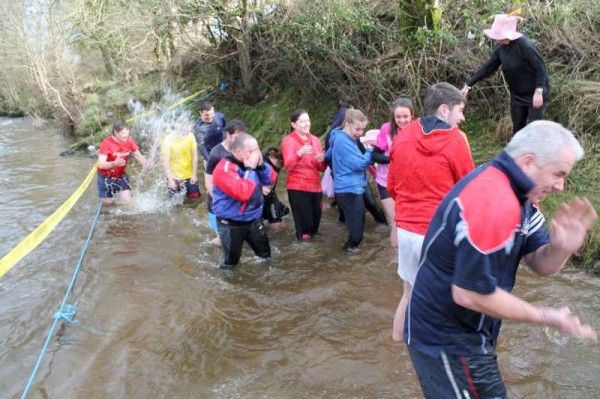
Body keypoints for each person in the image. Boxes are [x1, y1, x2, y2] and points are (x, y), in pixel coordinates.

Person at [405, 120, 597, 399]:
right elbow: (469, 294)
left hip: (468, 335)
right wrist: (545, 316)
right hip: (445, 341)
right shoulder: (493, 201)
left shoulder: (522, 199)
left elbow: (541, 263)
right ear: (528, 162)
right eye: (558, 174)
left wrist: (562, 247)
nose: (561, 186)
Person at [388, 83, 475, 342]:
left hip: (406, 231)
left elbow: (392, 186)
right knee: (448, 299)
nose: (462, 118)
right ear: (444, 109)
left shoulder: (402, 136)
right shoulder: (456, 139)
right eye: (460, 111)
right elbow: (468, 190)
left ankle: (396, 345)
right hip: (438, 233)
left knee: (408, 295)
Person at [461, 13, 550, 134]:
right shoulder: (501, 50)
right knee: (518, 130)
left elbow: (540, 68)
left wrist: (539, 91)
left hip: (535, 94)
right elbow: (487, 68)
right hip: (517, 96)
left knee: (533, 131)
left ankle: (537, 152)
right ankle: (517, 153)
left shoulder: (525, 45)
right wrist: (469, 85)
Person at [212, 133, 277, 269]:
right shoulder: (224, 169)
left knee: (265, 257)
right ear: (237, 151)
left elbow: (270, 179)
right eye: (251, 151)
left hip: (253, 219)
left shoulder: (253, 163)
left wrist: (261, 166)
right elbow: (244, 193)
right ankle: (227, 287)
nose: (256, 154)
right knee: (231, 263)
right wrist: (250, 169)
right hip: (231, 223)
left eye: (257, 149)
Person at [328, 109, 373, 251]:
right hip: (349, 190)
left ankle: (349, 261)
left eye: (363, 129)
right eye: (357, 129)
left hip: (350, 188)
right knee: (356, 235)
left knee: (357, 231)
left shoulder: (344, 139)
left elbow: (328, 156)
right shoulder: (342, 140)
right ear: (347, 124)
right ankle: (345, 260)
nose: (360, 133)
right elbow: (360, 164)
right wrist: (369, 151)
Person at [373, 98, 414, 248]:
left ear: (412, 116)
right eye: (398, 117)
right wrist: (391, 159)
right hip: (386, 182)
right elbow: (375, 155)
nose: (402, 120)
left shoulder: (417, 130)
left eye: (405, 117)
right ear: (393, 116)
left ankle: (408, 253)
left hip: (408, 183)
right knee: (396, 221)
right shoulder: (387, 129)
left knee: (409, 221)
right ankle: (395, 258)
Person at [281, 109, 327, 240]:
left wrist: (322, 161)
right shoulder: (288, 141)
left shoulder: (315, 140)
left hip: (315, 187)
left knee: (315, 225)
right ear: (294, 125)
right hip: (298, 188)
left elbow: (321, 168)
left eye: (308, 120)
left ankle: (313, 254)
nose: (306, 124)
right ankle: (304, 250)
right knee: (305, 227)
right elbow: (288, 166)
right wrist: (299, 153)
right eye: (302, 121)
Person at [205, 120, 247, 247]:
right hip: (217, 203)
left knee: (241, 239)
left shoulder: (242, 151)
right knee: (221, 242)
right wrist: (222, 201)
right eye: (236, 137)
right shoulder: (216, 153)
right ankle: (209, 250)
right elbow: (208, 183)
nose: (240, 140)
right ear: (228, 134)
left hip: (236, 201)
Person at [97, 121, 148, 205]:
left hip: (121, 176)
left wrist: (146, 164)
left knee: (128, 202)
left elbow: (138, 156)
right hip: (105, 178)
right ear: (115, 132)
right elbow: (101, 164)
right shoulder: (106, 143)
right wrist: (114, 163)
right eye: (123, 133)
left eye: (127, 133)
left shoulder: (130, 142)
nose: (126, 136)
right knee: (109, 204)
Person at [160, 121, 200, 200]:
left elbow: (195, 156)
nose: (188, 131)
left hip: (189, 174)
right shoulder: (167, 140)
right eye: (186, 128)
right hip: (174, 176)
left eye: (189, 128)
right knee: (174, 202)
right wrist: (170, 179)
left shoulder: (191, 136)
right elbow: (165, 161)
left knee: (195, 199)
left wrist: (194, 174)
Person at [193, 101, 228, 167]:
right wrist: (210, 162)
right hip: (210, 154)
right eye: (207, 115)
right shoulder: (198, 127)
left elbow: (227, 129)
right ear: (201, 113)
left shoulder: (219, 116)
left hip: (224, 150)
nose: (210, 117)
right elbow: (202, 147)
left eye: (211, 114)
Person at [262, 147, 290, 229]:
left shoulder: (275, 165)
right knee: (276, 224)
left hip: (270, 196)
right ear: (272, 157)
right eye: (281, 163)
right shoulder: (262, 164)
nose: (281, 166)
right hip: (260, 197)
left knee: (284, 211)